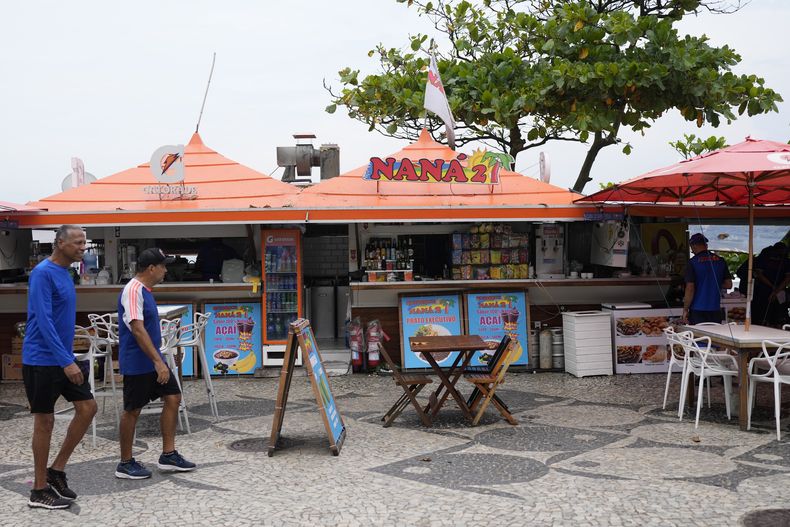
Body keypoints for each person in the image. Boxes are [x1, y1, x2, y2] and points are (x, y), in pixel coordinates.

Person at [22, 225, 97, 509]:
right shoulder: (42, 273)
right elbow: (43, 320)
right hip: (42, 359)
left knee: (88, 408)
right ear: (60, 242)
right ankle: (39, 490)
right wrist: (66, 360)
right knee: (45, 421)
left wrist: (68, 355)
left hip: (62, 356)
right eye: (78, 243)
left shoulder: (66, 273)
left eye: (84, 243)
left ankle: (56, 470)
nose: (82, 248)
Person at [115, 248, 196, 479]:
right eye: (163, 266)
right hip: (138, 361)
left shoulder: (145, 291)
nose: (166, 270)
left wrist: (161, 358)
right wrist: (157, 362)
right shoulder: (132, 290)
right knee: (132, 410)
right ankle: (125, 462)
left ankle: (168, 455)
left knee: (173, 397)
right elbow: (138, 330)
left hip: (153, 358)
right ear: (151, 268)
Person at [682, 233, 732, 324]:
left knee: (698, 337)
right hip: (715, 309)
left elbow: (690, 288)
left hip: (697, 309)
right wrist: (712, 283)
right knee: (714, 337)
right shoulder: (721, 261)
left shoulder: (692, 262)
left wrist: (685, 309)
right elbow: (729, 284)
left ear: (694, 246)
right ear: (706, 245)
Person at [751, 242, 790, 327]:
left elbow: (787, 278)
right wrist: (774, 288)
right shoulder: (764, 259)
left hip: (779, 291)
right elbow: (759, 275)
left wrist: (776, 291)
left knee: (779, 315)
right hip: (764, 290)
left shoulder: (786, 261)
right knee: (763, 315)